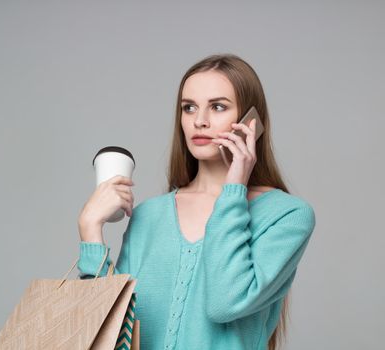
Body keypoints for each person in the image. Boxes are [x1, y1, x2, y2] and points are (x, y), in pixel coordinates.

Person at [77, 53, 316, 350]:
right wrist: (91, 231)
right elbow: (107, 335)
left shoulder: (287, 215)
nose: (199, 121)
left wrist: (234, 189)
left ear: (251, 122)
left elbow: (226, 303)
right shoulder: (149, 216)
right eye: (189, 108)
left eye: (217, 107)